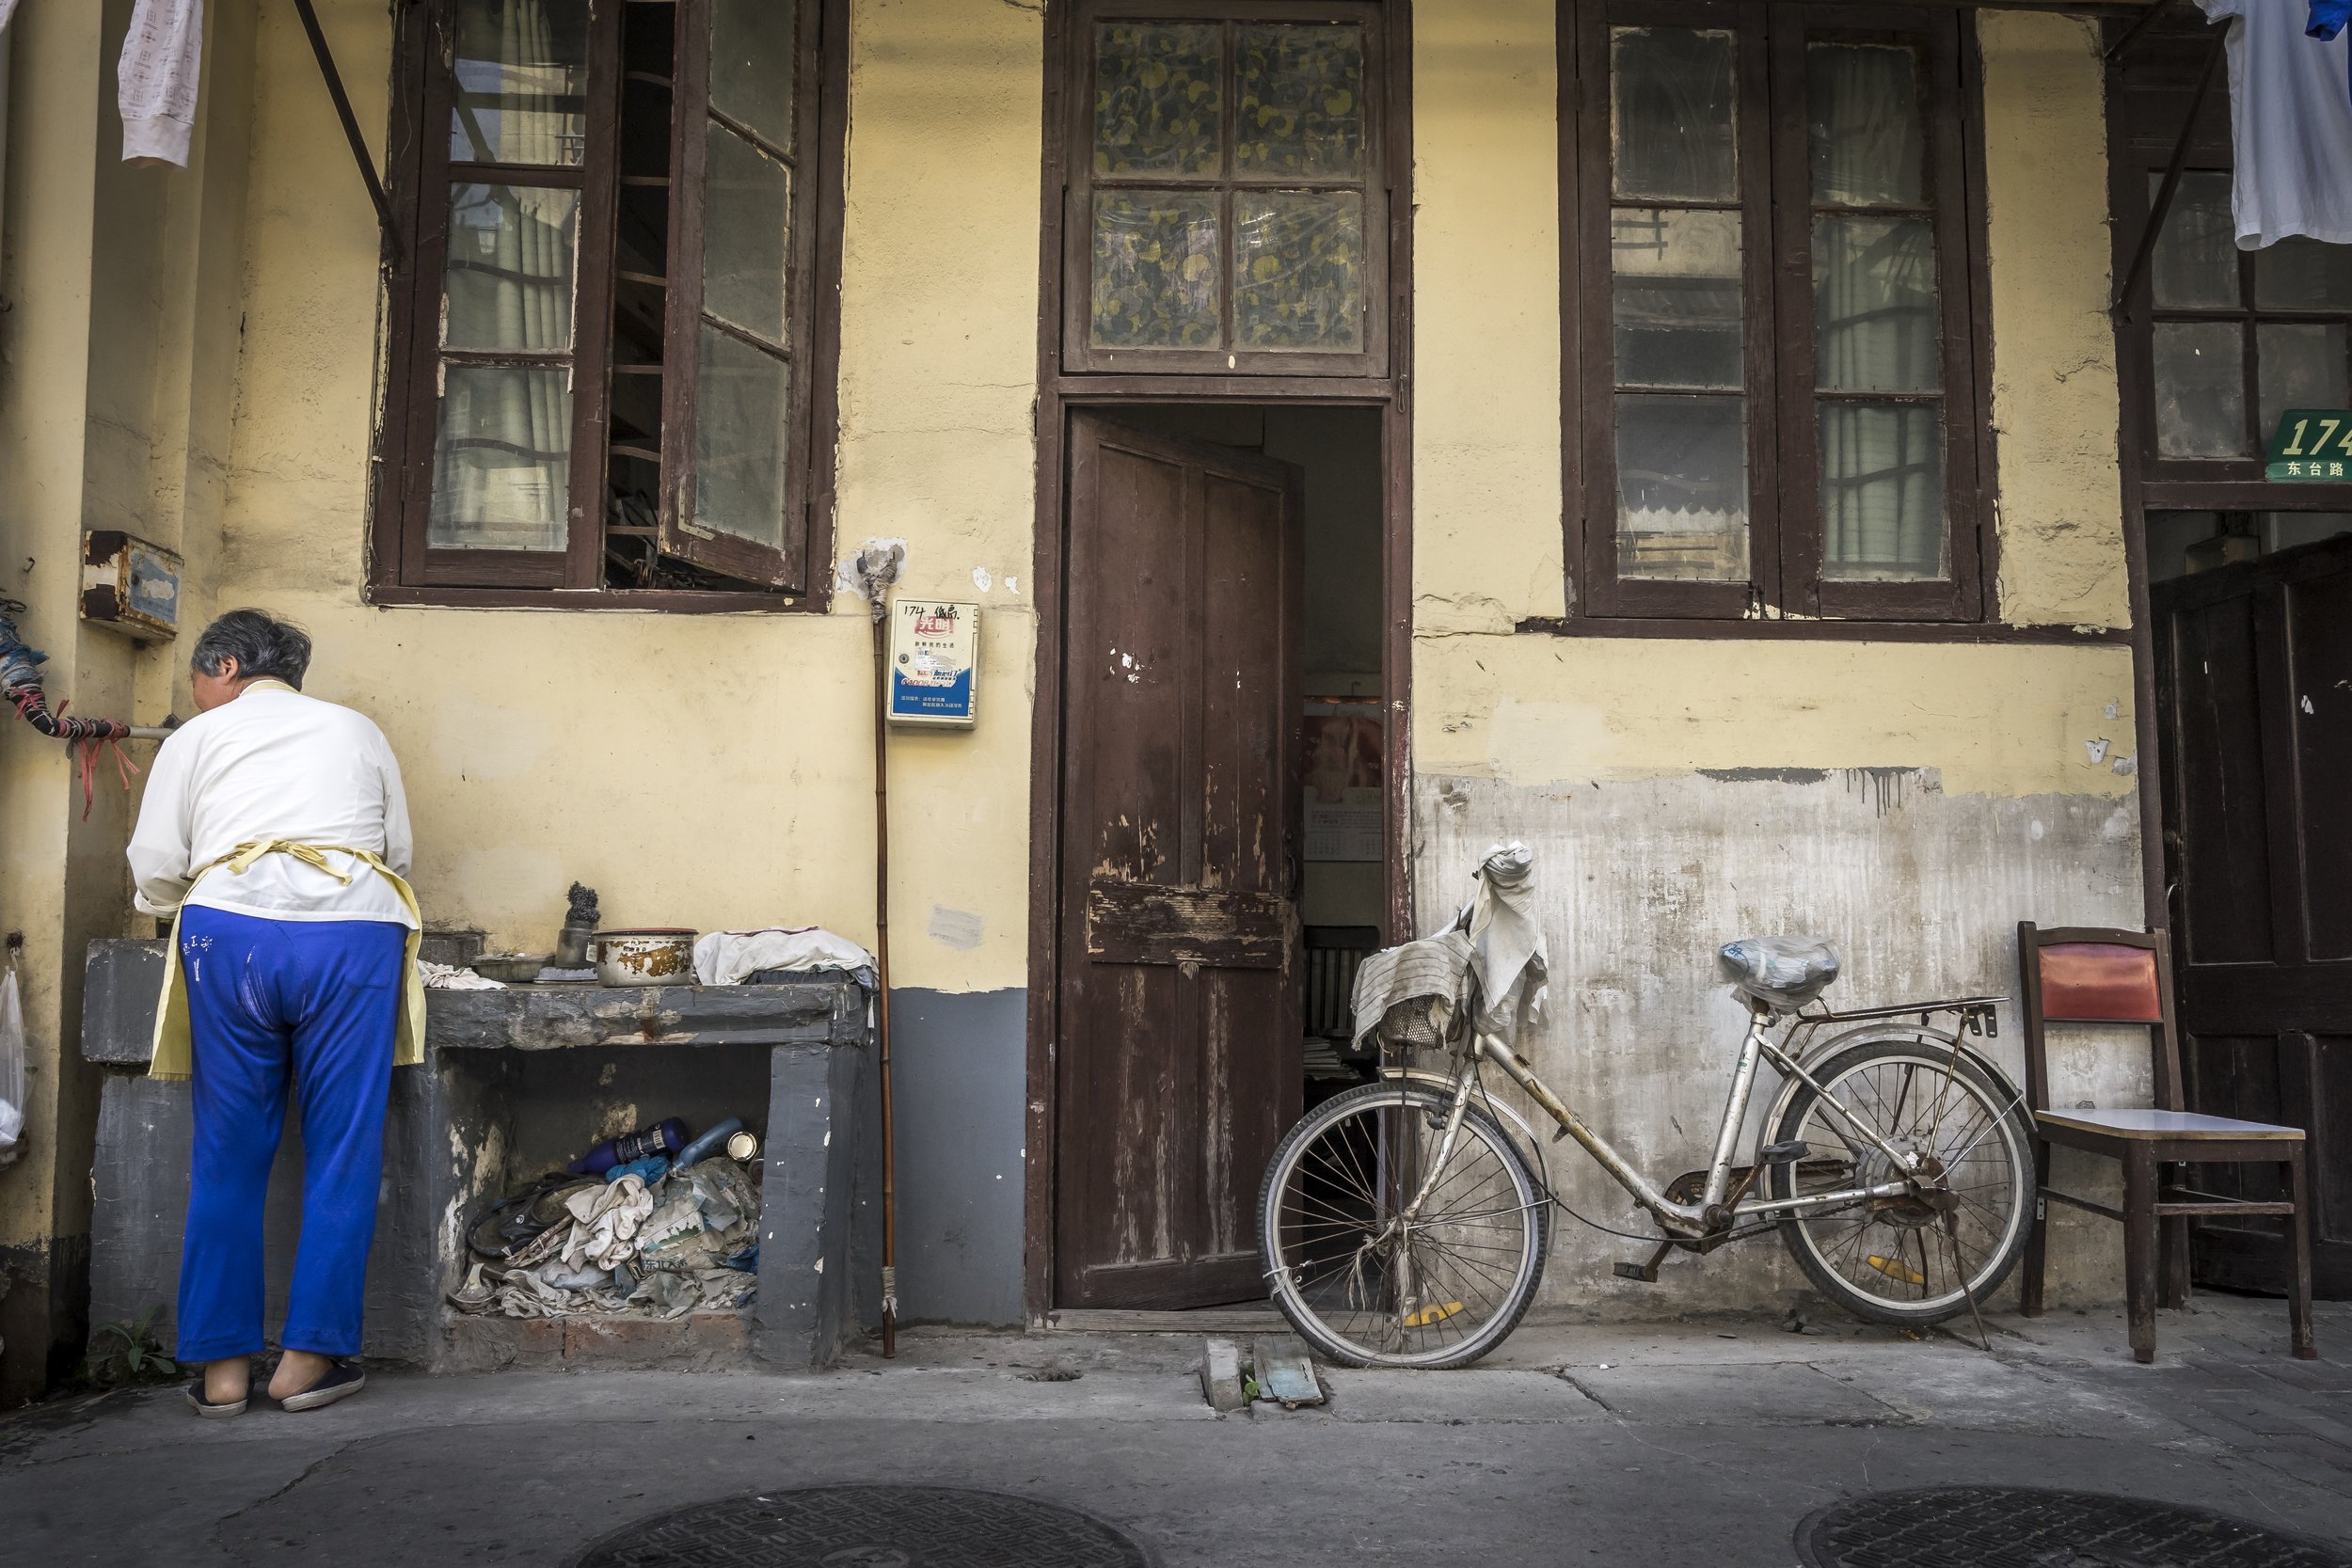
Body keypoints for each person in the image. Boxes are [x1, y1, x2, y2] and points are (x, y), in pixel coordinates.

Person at [126, 610, 425, 1418]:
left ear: (223, 666)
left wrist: (183, 898)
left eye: (196, 679)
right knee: (342, 1149)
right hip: (353, 933)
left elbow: (155, 868)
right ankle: (305, 1364)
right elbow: (395, 854)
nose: (194, 694)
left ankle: (222, 1372)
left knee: (227, 1151)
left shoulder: (198, 736)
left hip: (232, 938)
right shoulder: (358, 730)